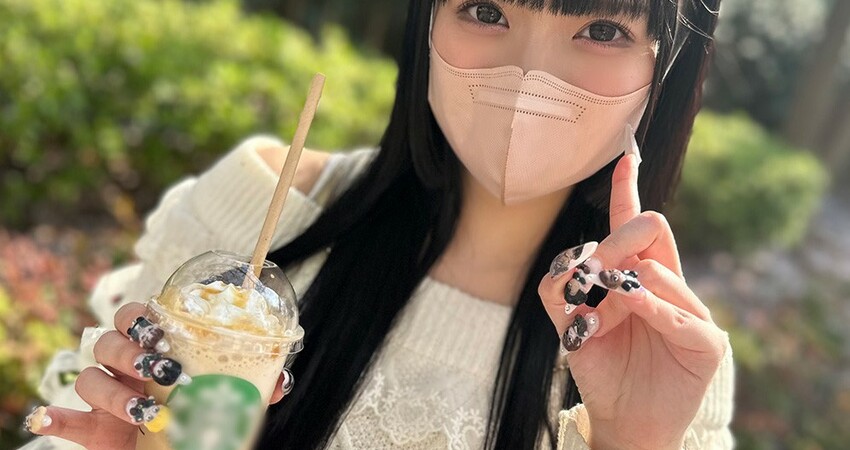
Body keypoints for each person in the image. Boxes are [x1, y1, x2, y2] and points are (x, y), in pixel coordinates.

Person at [21, 0, 734, 448]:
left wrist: (632, 442)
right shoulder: (256, 206)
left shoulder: (664, 350)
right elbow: (84, 427)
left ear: (666, 68)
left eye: (602, 28)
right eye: (485, 10)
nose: (529, 74)